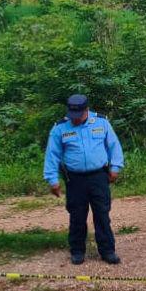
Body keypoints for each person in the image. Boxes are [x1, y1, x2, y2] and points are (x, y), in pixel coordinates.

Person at [43, 94, 125, 265]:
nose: (75, 120)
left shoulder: (101, 123)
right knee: (77, 216)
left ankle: (107, 251)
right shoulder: (60, 128)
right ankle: (77, 251)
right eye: (73, 116)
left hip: (99, 177)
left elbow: (113, 145)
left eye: (79, 116)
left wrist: (115, 167)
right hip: (75, 179)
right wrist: (53, 180)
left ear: (86, 110)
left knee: (102, 215)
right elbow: (52, 155)